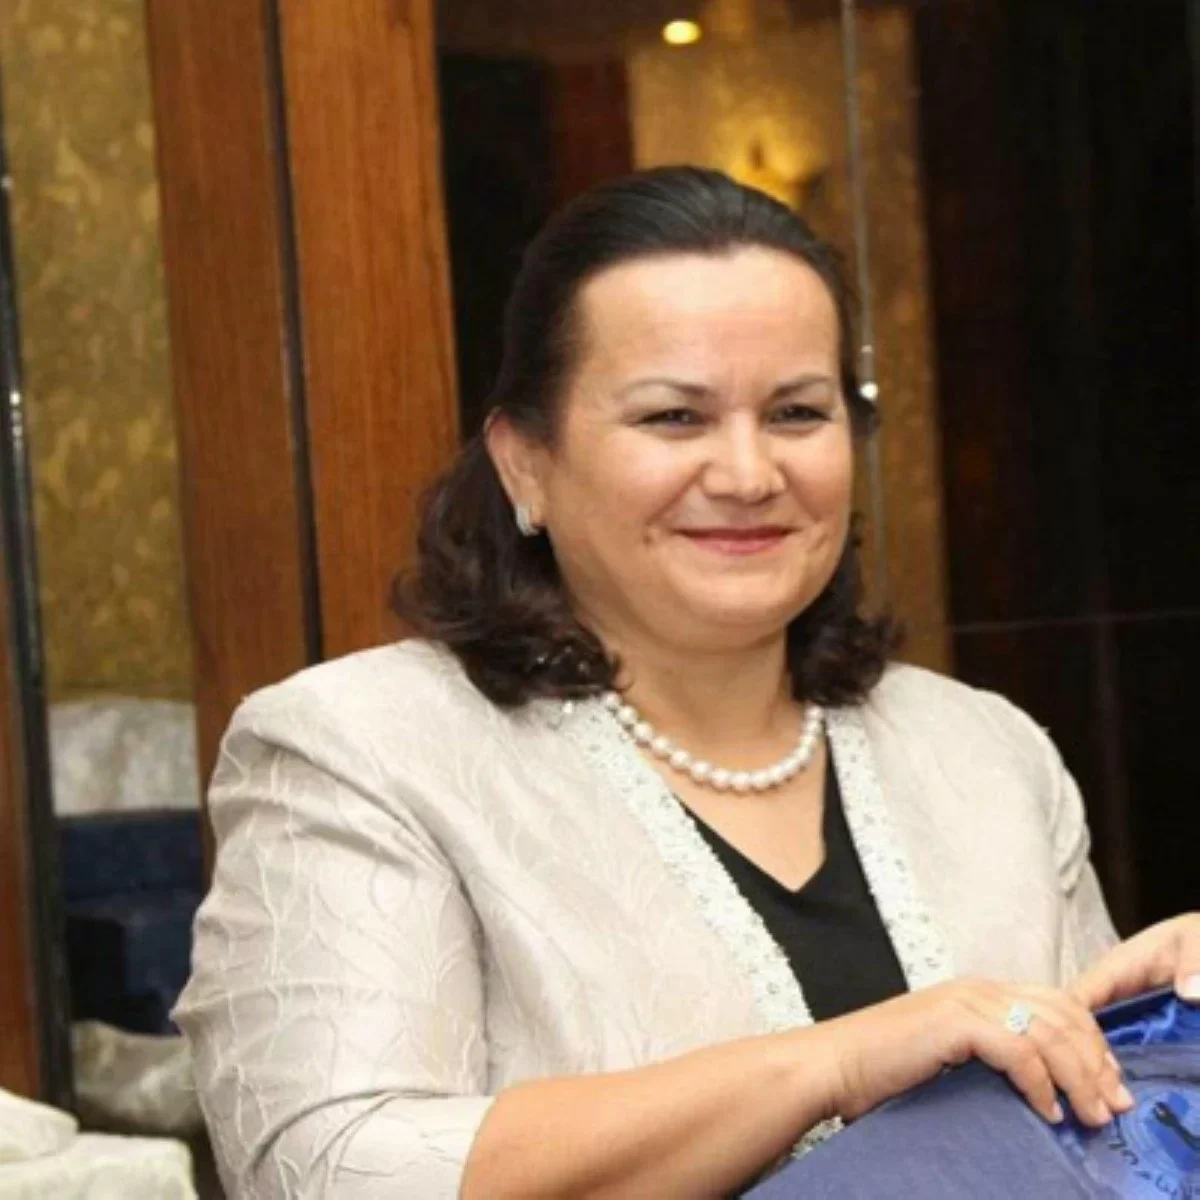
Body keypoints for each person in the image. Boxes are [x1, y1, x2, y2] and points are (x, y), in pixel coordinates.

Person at [176, 166, 1200, 1199]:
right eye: (674, 417)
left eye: (797, 412)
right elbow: (331, 1167)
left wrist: (1163, 1026)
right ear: (525, 462)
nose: (748, 474)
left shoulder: (984, 749)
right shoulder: (359, 750)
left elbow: (1105, 1151)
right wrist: (835, 1064)